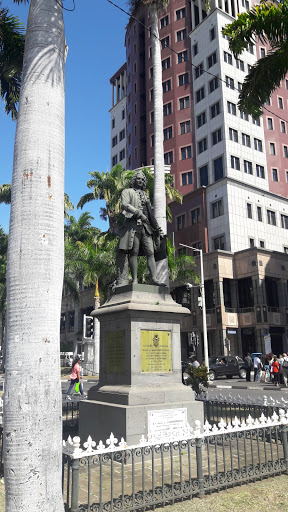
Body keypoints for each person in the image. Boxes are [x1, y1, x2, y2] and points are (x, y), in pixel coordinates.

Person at [117, 170, 166, 286]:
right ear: (134, 180)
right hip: (133, 227)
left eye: (143, 180)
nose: (141, 181)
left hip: (146, 228)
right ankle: (134, 280)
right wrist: (138, 213)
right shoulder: (127, 191)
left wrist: (158, 228)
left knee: (151, 252)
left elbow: (150, 213)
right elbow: (125, 205)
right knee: (133, 252)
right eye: (139, 178)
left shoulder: (145, 195)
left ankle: (154, 278)